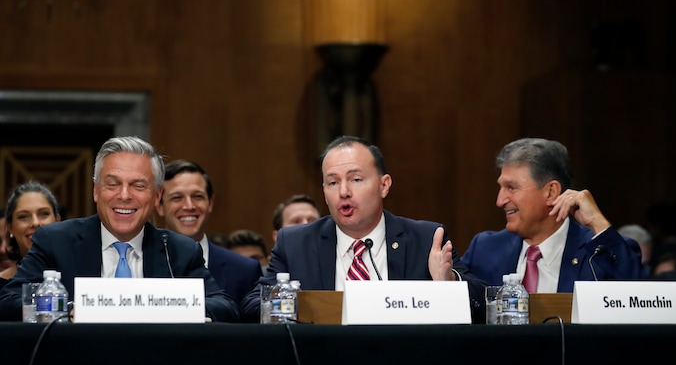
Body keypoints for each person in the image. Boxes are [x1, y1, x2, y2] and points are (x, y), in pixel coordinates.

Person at [240, 135, 487, 322]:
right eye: (332, 182)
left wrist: (449, 284)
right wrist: (295, 304)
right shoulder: (295, 243)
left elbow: (482, 303)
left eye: (356, 179)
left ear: (384, 185)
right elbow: (251, 305)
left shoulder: (425, 240)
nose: (344, 191)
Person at [0, 136, 239, 322]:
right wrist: (70, 308)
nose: (124, 196)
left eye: (138, 185)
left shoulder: (179, 251)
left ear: (156, 196)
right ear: (96, 191)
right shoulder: (56, 241)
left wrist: (164, 306)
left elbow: (225, 307)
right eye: (113, 184)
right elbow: (8, 301)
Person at [460, 137, 647, 297]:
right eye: (501, 188)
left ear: (551, 192)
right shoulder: (485, 248)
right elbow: (460, 301)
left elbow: (639, 301)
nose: (500, 201)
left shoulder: (596, 253)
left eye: (512, 188)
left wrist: (597, 222)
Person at [155, 159, 261, 306]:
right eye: (177, 198)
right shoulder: (141, 262)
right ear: (159, 206)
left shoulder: (245, 270)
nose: (189, 206)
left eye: (197, 196)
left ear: (210, 203)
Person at [0, 182, 62, 287]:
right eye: (23, 216)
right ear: (10, 227)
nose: (35, 223)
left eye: (44, 214)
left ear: (57, 221)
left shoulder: (78, 276)